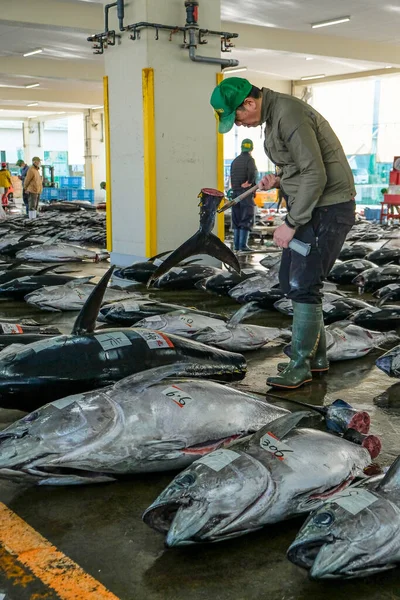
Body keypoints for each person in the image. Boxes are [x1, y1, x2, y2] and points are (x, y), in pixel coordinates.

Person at [210, 77, 356, 390]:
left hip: (327, 209)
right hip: (314, 207)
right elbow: (300, 167)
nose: (239, 123)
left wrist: (291, 223)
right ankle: (315, 358)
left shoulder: (288, 113)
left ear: (249, 103)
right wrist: (277, 180)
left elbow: (315, 173)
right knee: (293, 279)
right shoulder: (273, 117)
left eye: (236, 117)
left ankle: (301, 364)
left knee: (304, 284)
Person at [230, 139, 258, 251]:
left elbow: (231, 177)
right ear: (251, 148)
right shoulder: (250, 160)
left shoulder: (235, 161)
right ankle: (243, 245)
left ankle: (236, 245)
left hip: (235, 193)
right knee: (247, 217)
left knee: (236, 218)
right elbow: (254, 172)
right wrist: (250, 182)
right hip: (245, 193)